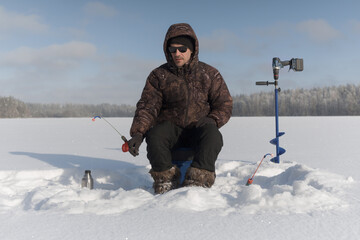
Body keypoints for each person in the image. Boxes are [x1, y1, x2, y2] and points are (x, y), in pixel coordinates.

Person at [127, 23, 233, 194]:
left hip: (198, 126)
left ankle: (198, 182)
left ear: (192, 50)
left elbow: (224, 104)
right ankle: (165, 181)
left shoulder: (210, 74)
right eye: (173, 49)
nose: (177, 54)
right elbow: (148, 107)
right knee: (155, 136)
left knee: (213, 136)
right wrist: (139, 133)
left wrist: (212, 119)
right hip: (170, 127)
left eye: (182, 49)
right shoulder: (158, 76)